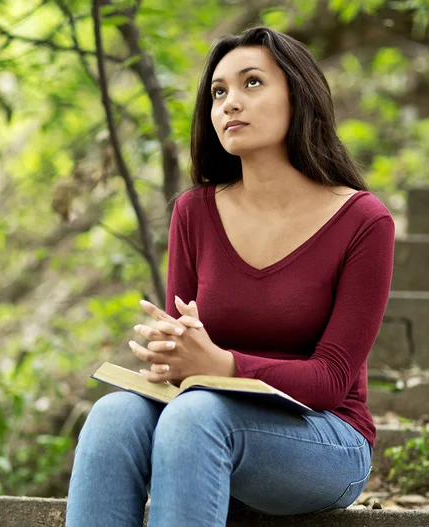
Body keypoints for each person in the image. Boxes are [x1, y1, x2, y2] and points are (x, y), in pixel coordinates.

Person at [65, 25, 394, 526]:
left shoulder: (363, 222)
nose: (229, 103)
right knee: (113, 416)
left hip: (325, 440)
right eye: (219, 92)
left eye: (252, 83)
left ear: (298, 95)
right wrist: (172, 356)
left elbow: (331, 380)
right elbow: (187, 361)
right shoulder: (194, 213)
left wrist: (222, 365)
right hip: (201, 425)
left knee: (195, 417)